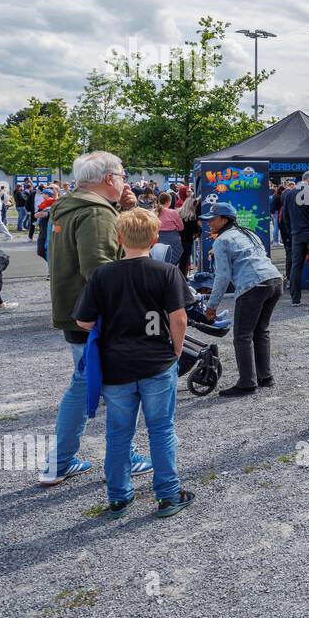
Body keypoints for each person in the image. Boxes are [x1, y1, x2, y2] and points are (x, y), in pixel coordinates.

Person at [72, 208, 195, 518]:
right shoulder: (166, 272)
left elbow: (83, 321)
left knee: (118, 433)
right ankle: (167, 494)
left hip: (117, 365)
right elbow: (179, 317)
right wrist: (177, 350)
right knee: (161, 429)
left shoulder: (102, 275)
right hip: (156, 360)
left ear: (118, 238)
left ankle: (118, 497)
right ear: (155, 239)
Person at [40, 151, 154, 486]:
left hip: (76, 311)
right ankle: (124, 457)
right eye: (122, 175)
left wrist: (126, 210)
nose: (124, 181)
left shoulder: (70, 206)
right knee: (117, 388)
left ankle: (59, 461)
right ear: (108, 178)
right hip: (99, 316)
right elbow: (100, 267)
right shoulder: (96, 213)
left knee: (82, 384)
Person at [202, 201, 284, 397]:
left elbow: (222, 277)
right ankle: (265, 377)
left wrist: (212, 306)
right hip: (274, 280)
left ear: (224, 220)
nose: (209, 223)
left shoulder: (222, 241)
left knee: (242, 335)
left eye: (212, 219)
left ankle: (247, 382)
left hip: (253, 285)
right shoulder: (248, 232)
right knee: (261, 331)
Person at [283, 171, 309, 305]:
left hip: (296, 233)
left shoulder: (290, 194)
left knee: (296, 266)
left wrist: (290, 230)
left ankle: (295, 298)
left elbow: (285, 215)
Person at [155, 192, 185, 265]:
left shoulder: (153, 212)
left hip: (156, 239)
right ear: (169, 202)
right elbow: (181, 228)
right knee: (171, 262)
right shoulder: (173, 212)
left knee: (158, 261)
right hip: (172, 239)